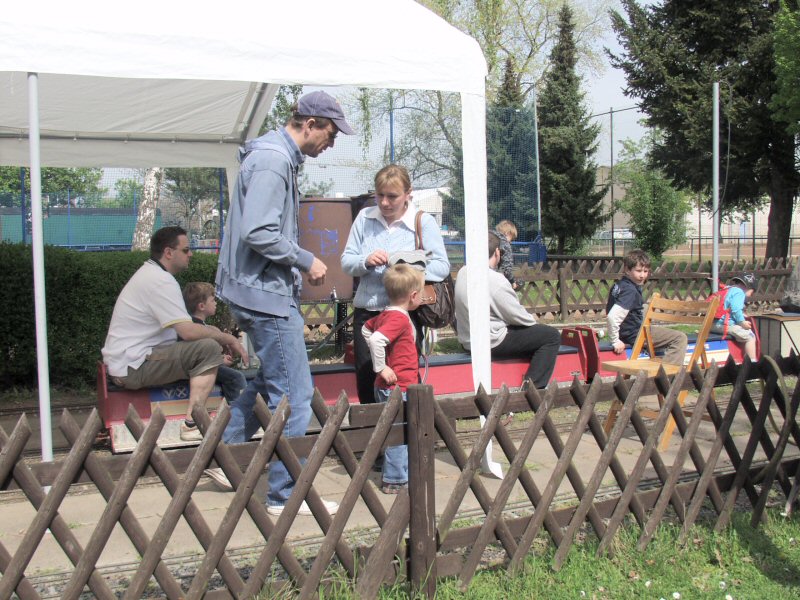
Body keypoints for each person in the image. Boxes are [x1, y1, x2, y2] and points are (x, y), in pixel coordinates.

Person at [216, 90, 354, 516]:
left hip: (257, 290)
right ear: (309, 123)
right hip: (266, 295)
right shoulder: (275, 162)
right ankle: (284, 495)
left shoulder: (272, 158)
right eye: (330, 134)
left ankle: (223, 457)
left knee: (267, 384)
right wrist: (304, 258)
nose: (330, 143)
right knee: (294, 394)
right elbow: (257, 231)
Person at [101, 227, 247, 444]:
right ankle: (192, 424)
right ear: (169, 252)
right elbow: (188, 332)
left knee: (207, 347)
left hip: (132, 361)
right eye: (186, 249)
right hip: (134, 365)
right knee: (208, 349)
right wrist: (229, 339)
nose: (191, 254)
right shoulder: (160, 281)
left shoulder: (151, 275)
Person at [341, 164, 450, 406]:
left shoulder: (424, 222)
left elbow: (442, 266)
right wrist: (365, 261)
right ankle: (371, 437)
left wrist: (404, 268)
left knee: (403, 379)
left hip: (404, 314)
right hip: (368, 313)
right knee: (368, 376)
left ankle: (406, 436)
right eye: (380, 195)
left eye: (392, 196)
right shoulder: (364, 218)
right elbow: (346, 262)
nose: (385, 202)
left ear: (408, 193)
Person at [454, 231, 560, 389]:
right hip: (491, 341)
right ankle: (532, 389)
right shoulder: (495, 280)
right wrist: (534, 324)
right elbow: (519, 317)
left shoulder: (463, 272)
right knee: (551, 336)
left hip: (468, 340)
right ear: (497, 252)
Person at [362, 264, 425, 494]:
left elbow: (366, 331)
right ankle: (395, 480)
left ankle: (399, 473)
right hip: (398, 385)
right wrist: (381, 367)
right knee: (398, 433)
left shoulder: (385, 315)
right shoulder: (398, 319)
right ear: (413, 295)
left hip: (393, 385)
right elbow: (377, 340)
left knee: (396, 429)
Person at [606, 249, 688, 364]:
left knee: (649, 315)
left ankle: (658, 364)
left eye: (645, 271)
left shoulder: (620, 285)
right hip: (634, 334)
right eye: (638, 271)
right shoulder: (630, 290)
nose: (642, 275)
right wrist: (615, 341)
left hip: (625, 331)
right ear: (627, 270)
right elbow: (612, 316)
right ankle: (668, 374)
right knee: (680, 338)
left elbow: (630, 309)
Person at [182, 282, 248, 407]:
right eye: (213, 300)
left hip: (198, 364)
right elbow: (199, 353)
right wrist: (220, 360)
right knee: (236, 377)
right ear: (202, 306)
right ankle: (240, 411)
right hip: (199, 367)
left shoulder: (198, 326)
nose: (216, 303)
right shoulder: (197, 328)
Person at [711, 273, 758, 360]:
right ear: (749, 287)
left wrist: (742, 315)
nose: (752, 294)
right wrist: (742, 322)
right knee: (750, 336)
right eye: (753, 291)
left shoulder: (727, 289)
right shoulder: (739, 292)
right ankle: (752, 363)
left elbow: (727, 307)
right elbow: (735, 309)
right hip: (723, 325)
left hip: (712, 324)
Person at [493, 219, 518, 289]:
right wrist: (512, 281)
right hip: (497, 279)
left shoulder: (490, 239)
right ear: (507, 233)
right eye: (511, 238)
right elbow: (507, 267)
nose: (510, 242)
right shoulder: (505, 243)